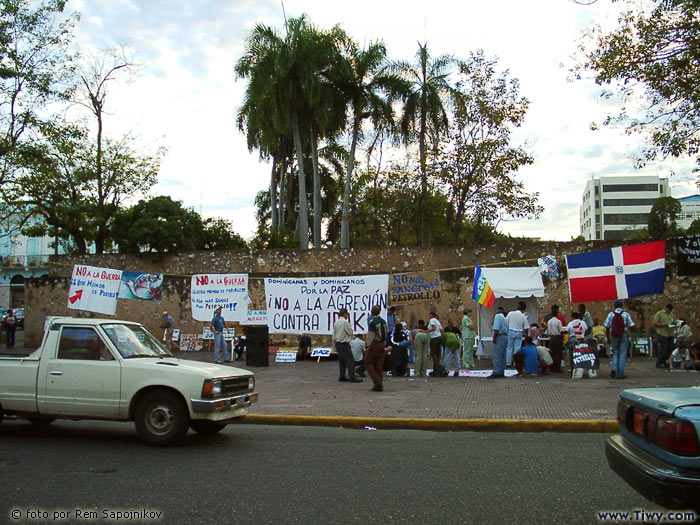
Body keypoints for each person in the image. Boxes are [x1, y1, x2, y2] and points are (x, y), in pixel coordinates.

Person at [603, 299, 635, 379]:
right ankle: (620, 374)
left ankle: (614, 368)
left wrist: (608, 337)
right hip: (623, 335)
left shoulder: (611, 314)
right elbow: (631, 325)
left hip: (613, 335)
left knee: (615, 352)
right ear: (622, 306)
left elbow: (606, 326)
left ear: (615, 306)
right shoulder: (626, 314)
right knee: (623, 354)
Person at [332, 308, 361, 383]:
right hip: (344, 343)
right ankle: (352, 377)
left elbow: (334, 334)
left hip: (338, 343)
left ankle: (342, 376)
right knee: (350, 361)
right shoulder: (345, 322)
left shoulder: (336, 322)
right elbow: (350, 331)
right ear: (344, 314)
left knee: (342, 361)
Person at [365, 305, 387, 391]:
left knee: (368, 362)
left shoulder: (372, 322)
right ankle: (379, 382)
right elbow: (385, 333)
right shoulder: (383, 321)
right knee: (379, 364)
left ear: (371, 312)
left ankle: (377, 382)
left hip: (375, 343)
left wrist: (367, 345)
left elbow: (371, 334)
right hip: (382, 343)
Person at [505, 301, 529, 367]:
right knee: (517, 348)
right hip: (519, 332)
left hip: (510, 331)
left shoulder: (510, 313)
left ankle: (508, 363)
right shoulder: (523, 316)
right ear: (522, 310)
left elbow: (505, 322)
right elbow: (526, 328)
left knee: (509, 348)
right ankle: (516, 363)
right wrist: (526, 335)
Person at [653, 303, 676, 369]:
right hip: (663, 333)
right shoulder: (659, 313)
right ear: (665, 308)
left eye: (669, 310)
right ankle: (659, 362)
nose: (668, 311)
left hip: (670, 333)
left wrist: (675, 325)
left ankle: (667, 362)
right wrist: (663, 325)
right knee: (663, 348)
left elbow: (674, 321)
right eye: (667, 309)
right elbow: (655, 322)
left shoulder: (672, 315)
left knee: (670, 348)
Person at [488, 306, 509, 379]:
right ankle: (501, 371)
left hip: (499, 336)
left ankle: (496, 372)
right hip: (505, 336)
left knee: (497, 355)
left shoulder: (497, 316)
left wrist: (494, 337)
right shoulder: (504, 318)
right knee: (503, 356)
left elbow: (496, 328)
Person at [426, 311, 446, 377]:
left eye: (429, 315)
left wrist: (426, 331)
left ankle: (437, 368)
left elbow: (433, 328)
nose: (429, 316)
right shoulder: (438, 321)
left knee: (433, 354)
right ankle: (436, 369)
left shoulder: (432, 320)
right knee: (437, 354)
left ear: (431, 315)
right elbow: (442, 331)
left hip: (434, 338)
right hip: (439, 337)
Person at [546, 306, 565, 373]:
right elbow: (561, 330)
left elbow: (548, 331)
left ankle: (552, 367)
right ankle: (557, 368)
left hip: (551, 338)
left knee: (552, 353)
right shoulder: (558, 321)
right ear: (557, 314)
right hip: (558, 337)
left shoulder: (549, 321)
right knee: (558, 353)